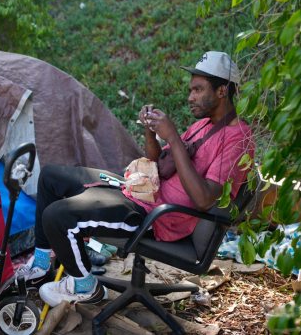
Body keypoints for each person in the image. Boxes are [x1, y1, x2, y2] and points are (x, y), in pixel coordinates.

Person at [15, 51, 255, 307]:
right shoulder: (204, 125)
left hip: (157, 217)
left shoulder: (237, 138)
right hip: (143, 191)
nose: (190, 97)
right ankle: (41, 264)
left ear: (222, 91)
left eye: (197, 90)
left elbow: (204, 199)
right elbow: (159, 164)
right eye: (191, 90)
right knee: (51, 176)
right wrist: (151, 132)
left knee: (57, 216)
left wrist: (173, 137)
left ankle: (86, 288)